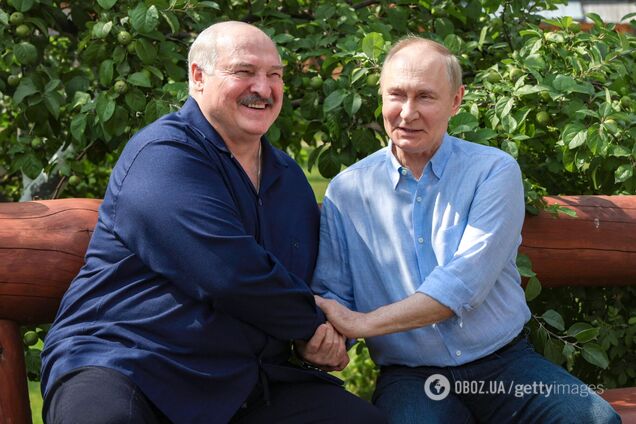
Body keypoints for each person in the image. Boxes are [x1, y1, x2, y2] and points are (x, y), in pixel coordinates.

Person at [41, 21, 385, 424]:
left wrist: (329, 334)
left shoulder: (288, 177)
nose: (263, 88)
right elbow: (229, 273)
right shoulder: (163, 155)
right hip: (129, 360)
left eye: (274, 75)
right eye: (244, 71)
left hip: (242, 382)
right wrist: (310, 326)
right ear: (198, 76)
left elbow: (310, 275)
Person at [312, 36, 620, 424]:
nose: (407, 112)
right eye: (397, 95)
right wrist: (325, 339)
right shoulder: (348, 191)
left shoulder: (493, 171)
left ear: (456, 101)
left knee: (595, 420)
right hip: (411, 375)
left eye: (425, 96)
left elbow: (463, 284)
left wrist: (361, 324)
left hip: (504, 365)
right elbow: (333, 292)